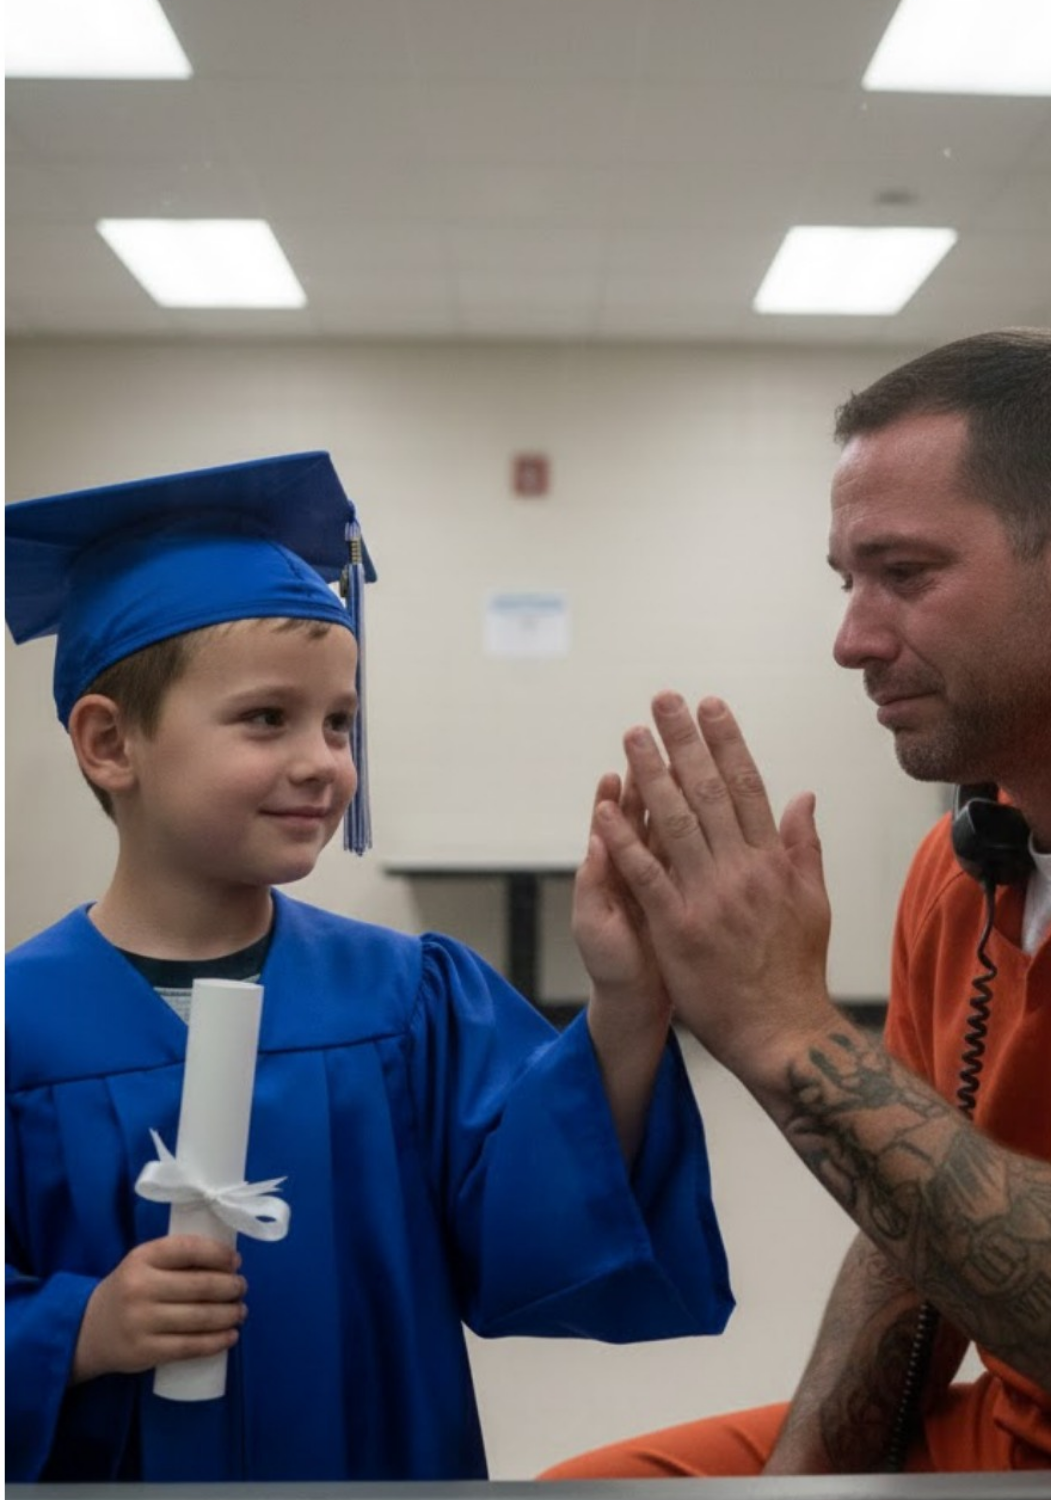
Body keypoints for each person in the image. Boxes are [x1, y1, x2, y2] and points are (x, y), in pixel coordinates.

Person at [541, 329, 1051, 1478]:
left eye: (905, 574)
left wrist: (785, 1029)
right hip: (1012, 1439)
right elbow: (918, 1239)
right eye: (848, 582)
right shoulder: (966, 871)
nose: (853, 638)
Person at [4, 450, 733, 1484]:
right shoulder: (19, 1027)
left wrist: (623, 1006)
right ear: (109, 744)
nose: (324, 760)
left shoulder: (406, 999)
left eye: (341, 721)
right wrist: (75, 1329)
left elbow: (530, 1214)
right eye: (268, 718)